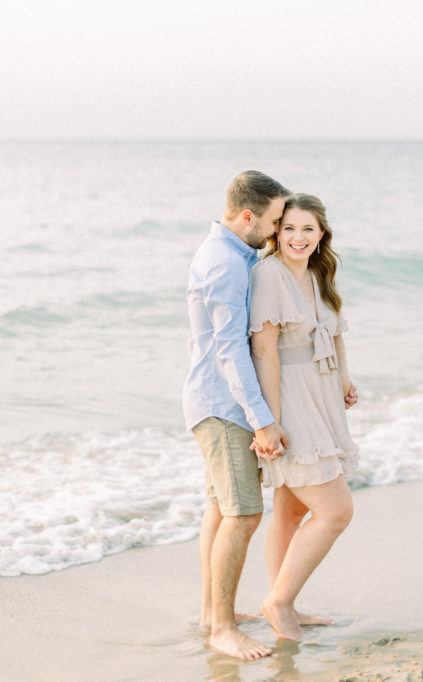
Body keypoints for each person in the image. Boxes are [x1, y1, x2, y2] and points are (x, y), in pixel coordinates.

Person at [182, 170, 290, 660]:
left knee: (220, 510)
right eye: (271, 222)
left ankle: (212, 612)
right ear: (247, 216)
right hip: (224, 406)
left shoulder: (229, 254)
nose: (275, 233)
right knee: (244, 513)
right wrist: (262, 418)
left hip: (211, 401)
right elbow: (230, 350)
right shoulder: (225, 262)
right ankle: (222, 627)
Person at [248, 192, 360, 641]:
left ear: (321, 234)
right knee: (335, 511)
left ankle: (284, 603)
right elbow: (264, 350)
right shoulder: (268, 275)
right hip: (290, 401)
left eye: (307, 229)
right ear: (276, 233)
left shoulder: (319, 274)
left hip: (323, 396)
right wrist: (269, 420)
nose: (297, 237)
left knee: (290, 512)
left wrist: (345, 382)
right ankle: (277, 602)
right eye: (288, 228)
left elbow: (335, 337)